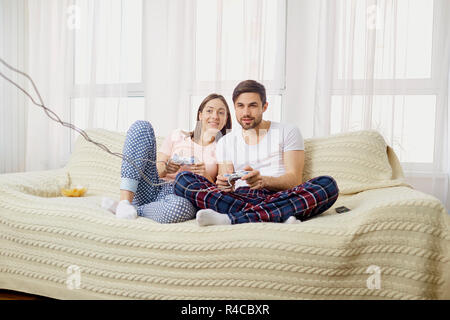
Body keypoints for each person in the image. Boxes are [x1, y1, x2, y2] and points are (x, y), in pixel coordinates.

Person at [173, 80, 339, 226]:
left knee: (327, 185)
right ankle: (278, 215)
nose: (246, 112)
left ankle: (231, 219)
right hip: (240, 197)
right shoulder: (225, 141)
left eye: (252, 106)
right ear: (235, 108)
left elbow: (294, 180)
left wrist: (263, 181)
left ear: (264, 107)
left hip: (280, 196)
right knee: (182, 181)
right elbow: (226, 185)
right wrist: (225, 185)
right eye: (240, 106)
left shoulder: (288, 131)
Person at [101, 93, 232, 223]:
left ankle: (129, 209)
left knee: (180, 208)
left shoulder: (223, 148)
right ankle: (125, 201)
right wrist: (167, 168)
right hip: (154, 187)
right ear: (200, 115)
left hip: (181, 198)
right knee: (141, 126)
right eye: (209, 110)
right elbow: (157, 171)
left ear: (226, 119)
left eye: (221, 113)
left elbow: (222, 193)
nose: (215, 116)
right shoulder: (178, 135)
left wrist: (206, 178)